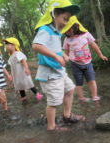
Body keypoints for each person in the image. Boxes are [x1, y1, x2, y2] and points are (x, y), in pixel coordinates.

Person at [32, 0, 85, 132]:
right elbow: (36, 46)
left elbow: (55, 48)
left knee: (70, 89)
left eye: (68, 20)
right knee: (54, 101)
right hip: (50, 74)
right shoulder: (45, 30)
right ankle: (51, 127)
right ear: (54, 14)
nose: (65, 23)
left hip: (59, 71)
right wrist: (56, 57)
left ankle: (67, 115)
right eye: (64, 19)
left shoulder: (56, 33)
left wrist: (63, 54)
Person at [63, 16, 108, 102]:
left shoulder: (86, 34)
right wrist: (64, 62)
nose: (67, 32)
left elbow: (94, 45)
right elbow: (66, 52)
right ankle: (81, 98)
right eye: (65, 30)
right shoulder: (67, 39)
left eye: (69, 29)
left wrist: (100, 55)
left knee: (91, 80)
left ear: (76, 26)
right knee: (79, 82)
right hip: (75, 64)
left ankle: (94, 96)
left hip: (88, 63)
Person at [3, 37, 43, 104]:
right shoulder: (11, 57)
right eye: (6, 44)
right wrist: (10, 75)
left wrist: (26, 69)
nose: (6, 46)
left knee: (29, 84)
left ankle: (38, 95)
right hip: (17, 75)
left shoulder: (18, 54)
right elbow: (13, 67)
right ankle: (24, 99)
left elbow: (23, 61)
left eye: (8, 44)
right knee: (20, 86)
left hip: (23, 73)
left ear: (13, 45)